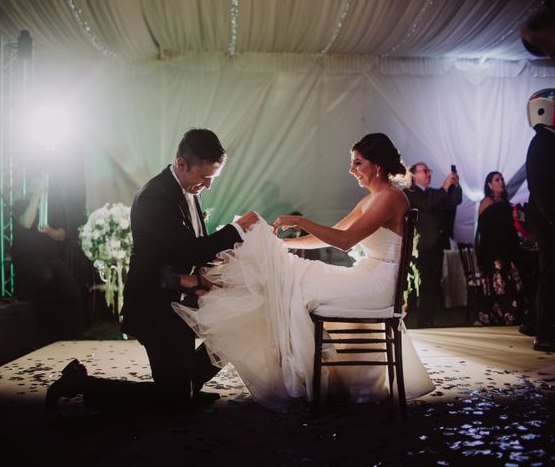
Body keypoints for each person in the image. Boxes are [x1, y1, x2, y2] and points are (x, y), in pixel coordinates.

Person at [172, 133, 435, 413]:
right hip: (366, 274)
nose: (351, 169)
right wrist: (281, 245)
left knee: (296, 285)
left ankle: (209, 286)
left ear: (377, 166)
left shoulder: (390, 198)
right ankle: (213, 288)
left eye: (357, 163)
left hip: (379, 283)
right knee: (290, 276)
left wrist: (299, 221)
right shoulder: (372, 199)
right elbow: (329, 236)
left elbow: (345, 242)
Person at [45, 128, 259, 412]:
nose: (207, 186)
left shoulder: (186, 188)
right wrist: (235, 231)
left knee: (227, 333)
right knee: (171, 402)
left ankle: (188, 386)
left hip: (178, 302)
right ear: (181, 164)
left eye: (212, 179)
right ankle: (80, 383)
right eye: (204, 177)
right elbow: (187, 249)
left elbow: (187, 249)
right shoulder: (154, 197)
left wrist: (218, 265)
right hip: (154, 309)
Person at [11, 169, 85, 340]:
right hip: (27, 256)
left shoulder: (55, 207)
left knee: (70, 285)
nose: (39, 187)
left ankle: (73, 335)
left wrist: (49, 231)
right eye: (34, 184)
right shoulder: (21, 204)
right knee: (44, 276)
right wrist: (36, 196)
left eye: (41, 184)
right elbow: (27, 222)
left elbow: (62, 235)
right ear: (29, 187)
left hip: (50, 257)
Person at [405, 163, 462, 327]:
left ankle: (426, 321)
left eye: (429, 170)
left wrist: (455, 185)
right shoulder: (410, 192)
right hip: (419, 248)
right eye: (424, 171)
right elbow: (426, 204)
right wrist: (444, 187)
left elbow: (454, 201)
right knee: (413, 285)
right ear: (414, 175)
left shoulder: (433, 193)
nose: (429, 173)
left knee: (432, 284)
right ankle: (405, 319)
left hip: (436, 246)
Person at [475, 171, 529, 326]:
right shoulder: (486, 202)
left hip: (507, 248)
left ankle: (517, 311)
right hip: (494, 250)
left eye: (502, 179)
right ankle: (502, 313)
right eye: (497, 180)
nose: (501, 182)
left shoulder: (505, 202)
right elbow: (486, 228)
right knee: (499, 279)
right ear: (490, 185)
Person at [525, 88, 555, 352]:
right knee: (550, 274)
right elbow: (541, 186)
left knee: (548, 273)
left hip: (546, 217)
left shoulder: (545, 140)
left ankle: (536, 324)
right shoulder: (543, 142)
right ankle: (544, 332)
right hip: (548, 219)